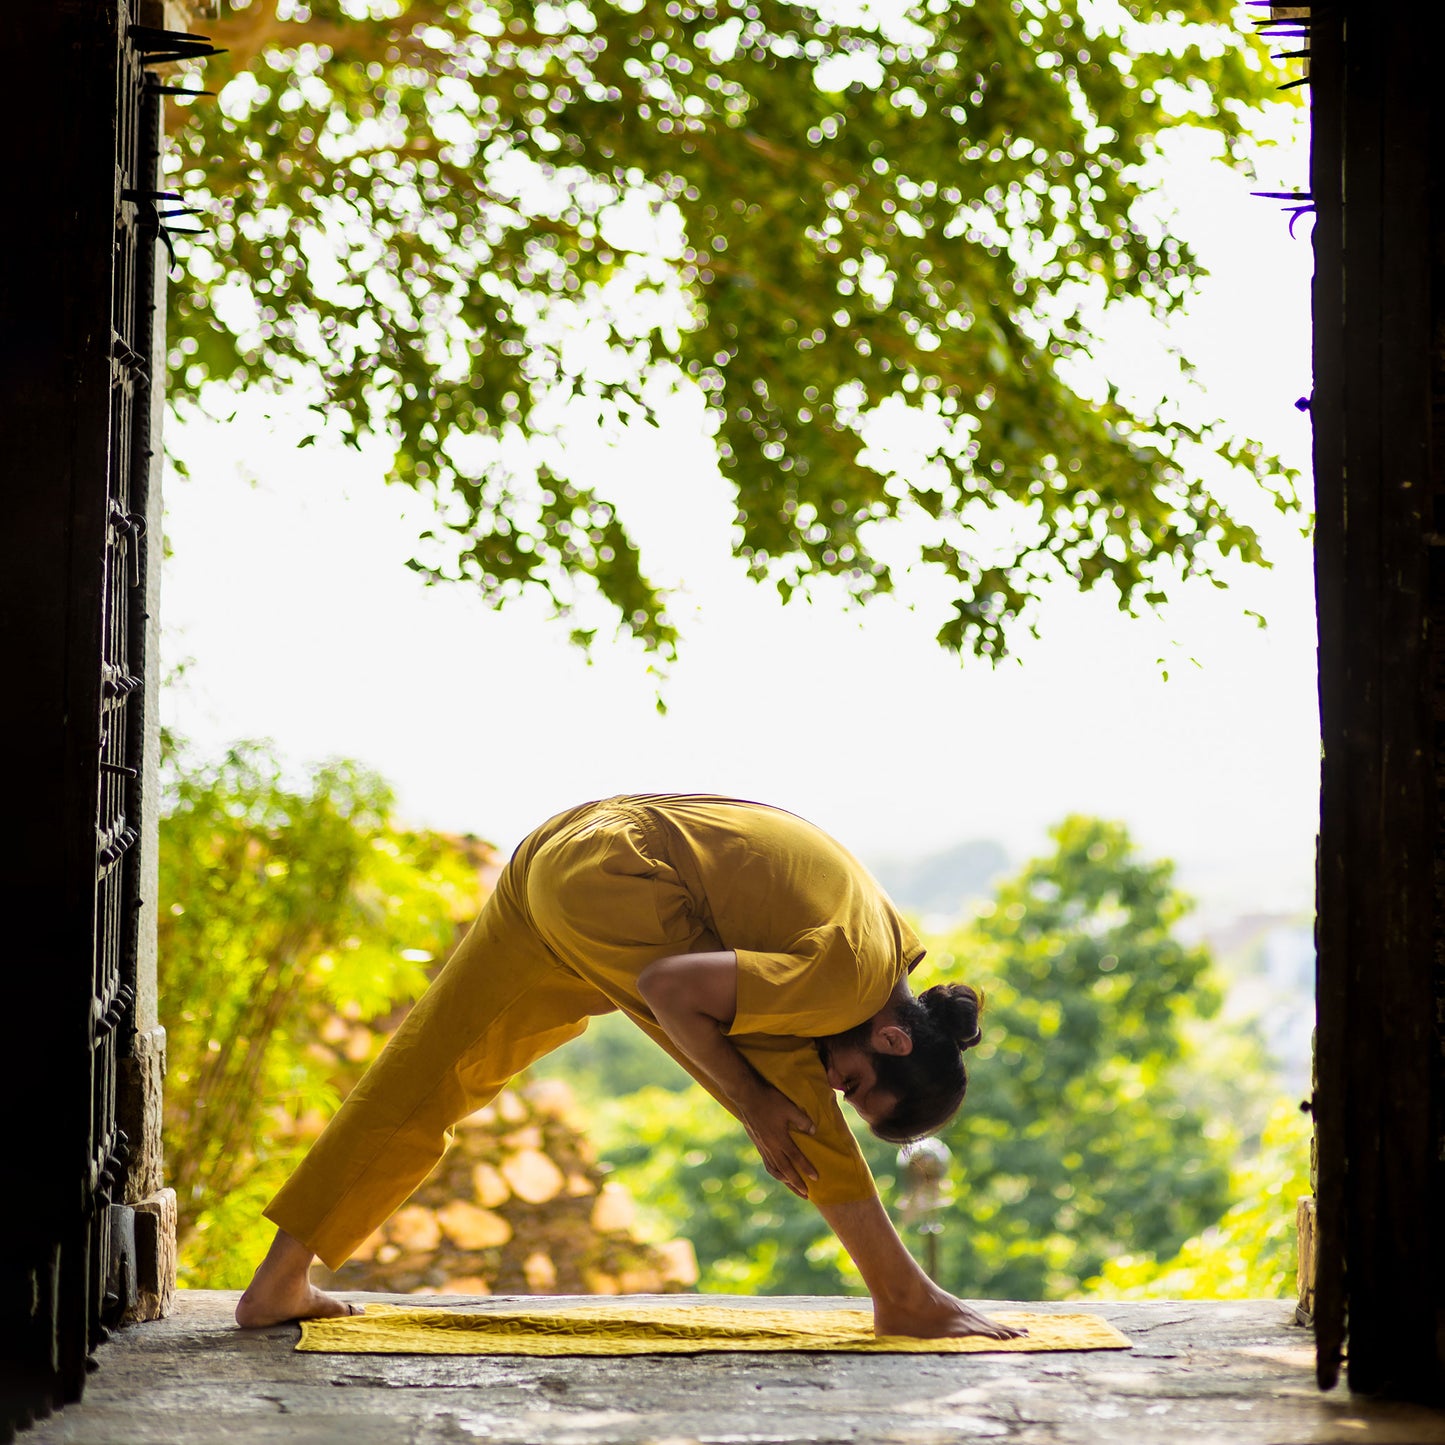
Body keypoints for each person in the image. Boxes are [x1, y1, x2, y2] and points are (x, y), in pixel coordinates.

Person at [235, 793, 1022, 1340]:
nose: (836, 1081)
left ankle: (278, 1284)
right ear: (892, 1039)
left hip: (554, 858)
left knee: (429, 1071)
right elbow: (668, 987)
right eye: (855, 1084)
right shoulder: (851, 978)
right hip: (615, 872)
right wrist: (750, 1102)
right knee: (789, 1092)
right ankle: (903, 1294)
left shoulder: (878, 943)